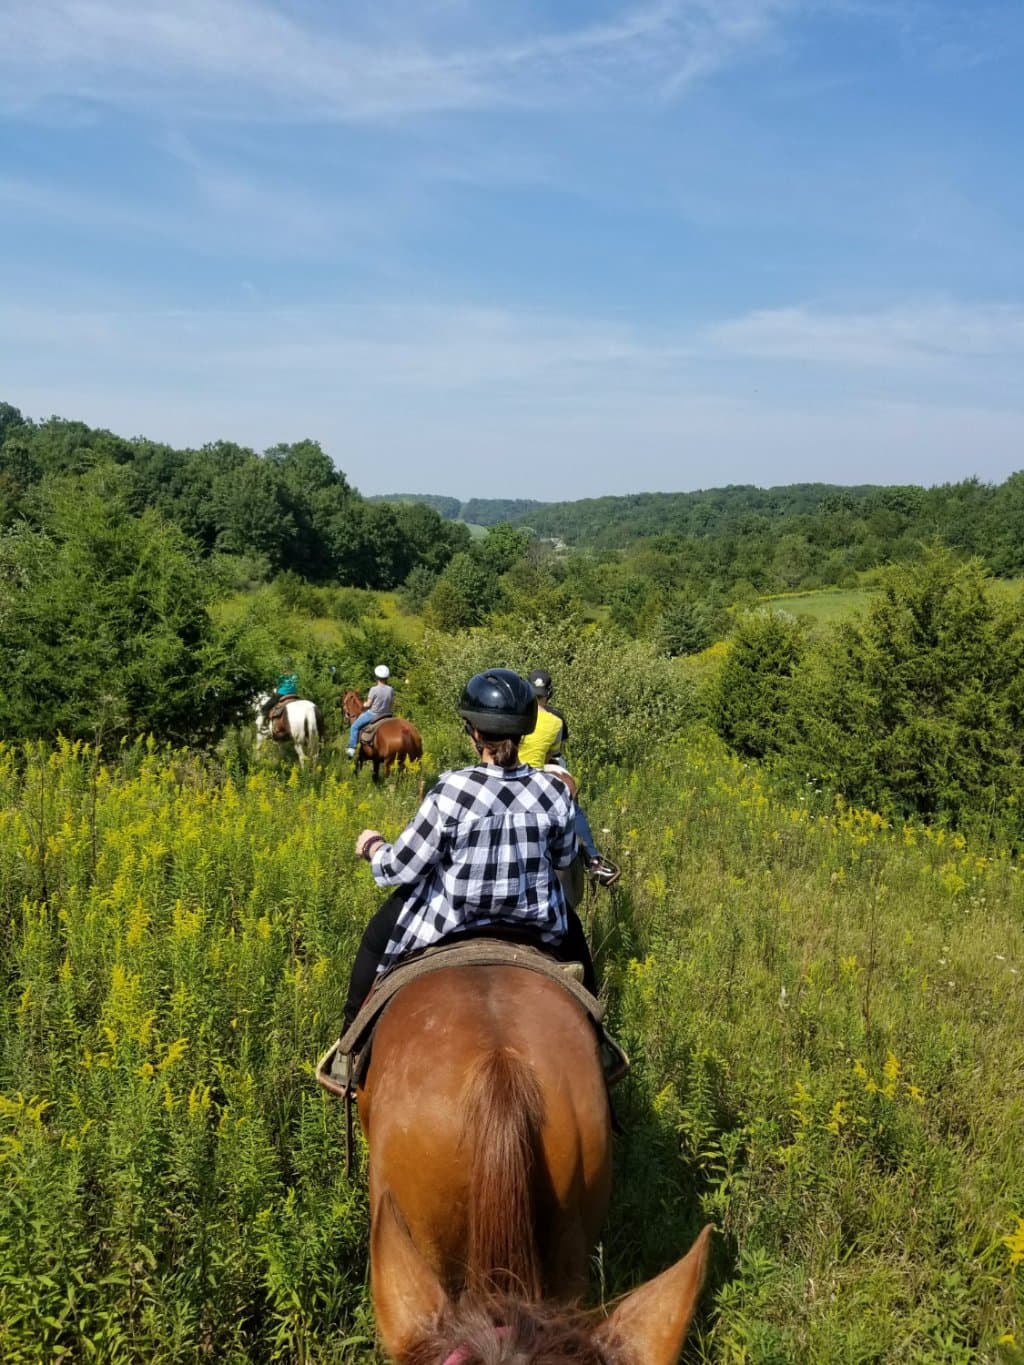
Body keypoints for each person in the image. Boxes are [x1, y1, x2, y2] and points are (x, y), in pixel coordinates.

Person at [339, 668, 598, 1051]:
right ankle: (598, 1042)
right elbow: (562, 856)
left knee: (377, 937)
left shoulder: (452, 789)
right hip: (535, 922)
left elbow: (402, 868)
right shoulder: (553, 790)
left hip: (450, 920)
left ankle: (349, 1042)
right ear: (525, 730)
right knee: (578, 943)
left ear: (475, 732)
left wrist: (374, 846)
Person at [520, 668, 620, 887]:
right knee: (572, 806)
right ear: (549, 693)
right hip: (538, 772)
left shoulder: (514, 712)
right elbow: (554, 753)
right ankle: (593, 860)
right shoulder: (556, 719)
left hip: (511, 770)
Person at [346, 664, 394, 758]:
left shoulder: (374, 689)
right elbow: (391, 704)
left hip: (373, 714)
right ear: (387, 677)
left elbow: (368, 704)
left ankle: (351, 748)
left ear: (376, 677)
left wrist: (364, 704)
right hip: (387, 714)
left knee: (354, 727)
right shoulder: (390, 689)